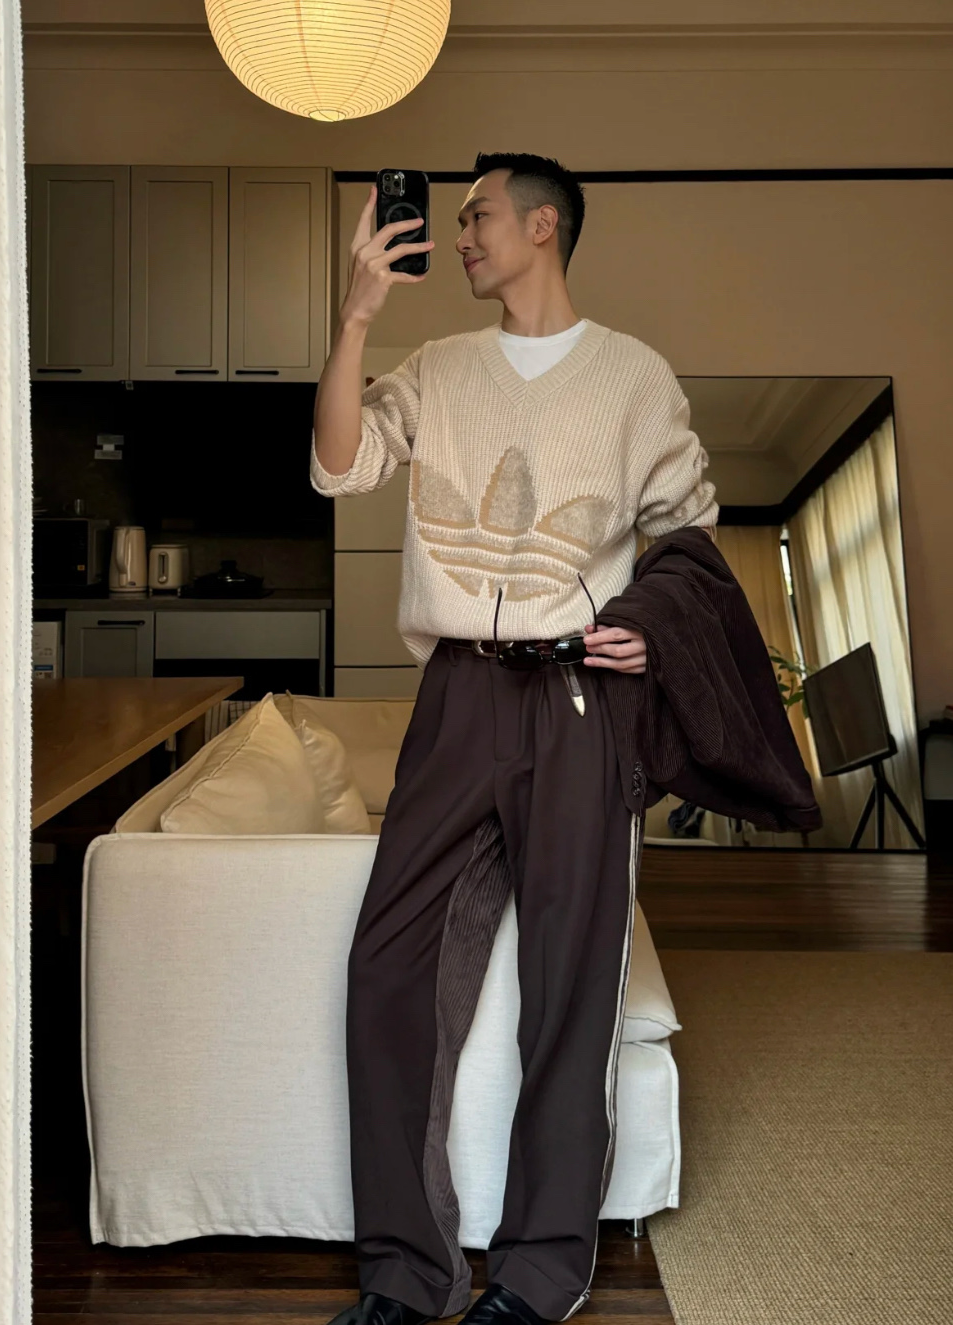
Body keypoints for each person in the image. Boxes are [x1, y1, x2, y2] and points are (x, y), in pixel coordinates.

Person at [311, 153, 718, 1325]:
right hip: (458, 695)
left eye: (478, 215)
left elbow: (692, 531)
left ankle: (539, 1276)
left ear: (543, 226)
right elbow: (339, 464)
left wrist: (648, 628)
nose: (459, 234)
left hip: (582, 702)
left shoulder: (633, 376)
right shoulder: (438, 368)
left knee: (570, 987)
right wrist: (357, 315)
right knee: (388, 968)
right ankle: (406, 1273)